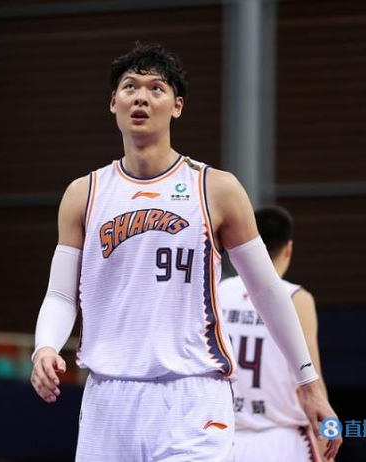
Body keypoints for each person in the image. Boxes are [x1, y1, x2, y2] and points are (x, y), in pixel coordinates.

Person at [29, 42, 342, 461]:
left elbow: (268, 291)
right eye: (129, 87)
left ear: (177, 106)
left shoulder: (216, 188)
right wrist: (45, 345)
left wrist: (309, 385)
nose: (141, 97)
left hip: (193, 396)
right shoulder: (83, 194)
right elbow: (61, 294)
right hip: (108, 398)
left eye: (156, 88)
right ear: (113, 103)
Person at [220, 206, 333, 461]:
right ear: (288, 249)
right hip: (284, 443)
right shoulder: (296, 298)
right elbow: (314, 383)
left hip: (224, 441)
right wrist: (326, 448)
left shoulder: (218, 291)